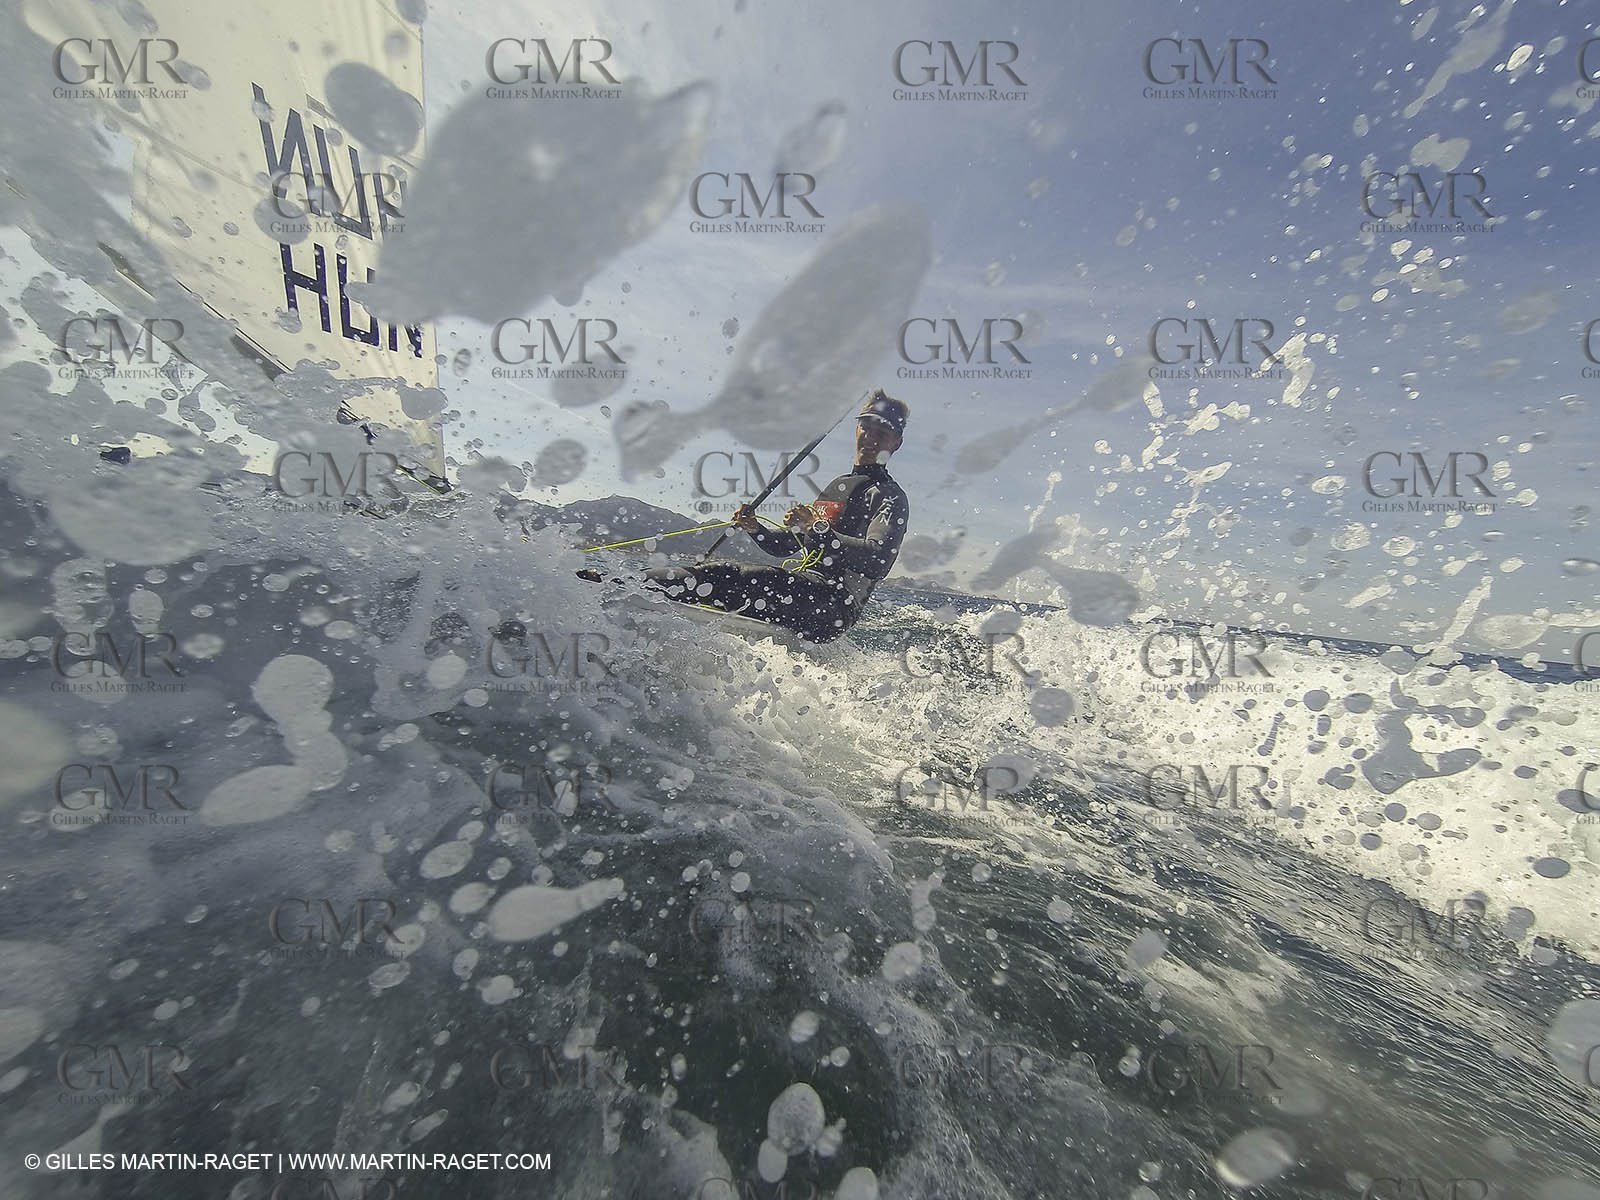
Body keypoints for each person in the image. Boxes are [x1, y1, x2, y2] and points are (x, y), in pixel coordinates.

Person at [643, 390, 912, 643]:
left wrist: (815, 528)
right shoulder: (838, 486)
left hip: (836, 608)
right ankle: (634, 587)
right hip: (805, 593)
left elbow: (879, 560)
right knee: (722, 580)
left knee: (723, 574)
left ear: (897, 442)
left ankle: (628, 589)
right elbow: (784, 546)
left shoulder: (889, 496)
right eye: (866, 426)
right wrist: (755, 528)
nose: (871, 436)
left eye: (883, 431)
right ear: (856, 428)